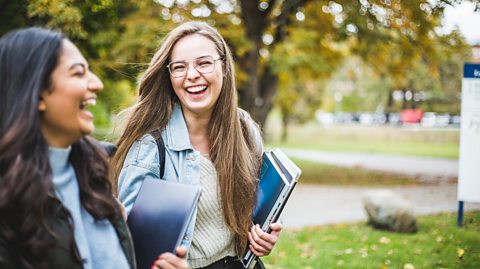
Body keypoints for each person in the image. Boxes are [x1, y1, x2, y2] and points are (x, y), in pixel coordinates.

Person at [0, 27, 188, 269]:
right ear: (35, 93)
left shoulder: (95, 180)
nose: (97, 83)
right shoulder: (8, 203)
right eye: (78, 73)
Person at [111, 21, 282, 269]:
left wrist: (265, 233)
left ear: (223, 67)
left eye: (203, 63)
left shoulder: (244, 129)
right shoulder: (150, 146)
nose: (192, 75)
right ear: (169, 77)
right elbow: (127, 246)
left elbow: (255, 207)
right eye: (179, 67)